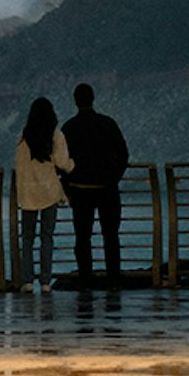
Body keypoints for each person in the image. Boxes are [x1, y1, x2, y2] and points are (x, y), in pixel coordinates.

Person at [61, 82, 129, 288]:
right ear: (93, 99)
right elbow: (123, 154)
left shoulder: (69, 127)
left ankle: (86, 279)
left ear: (75, 101)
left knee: (82, 238)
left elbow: (63, 164)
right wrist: (113, 178)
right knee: (111, 236)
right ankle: (113, 279)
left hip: (80, 190)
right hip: (107, 189)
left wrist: (68, 189)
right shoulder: (108, 123)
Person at [14, 96, 73, 292]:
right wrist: (74, 166)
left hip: (29, 193)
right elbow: (62, 162)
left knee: (28, 238)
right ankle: (46, 281)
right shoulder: (56, 135)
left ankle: (27, 280)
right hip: (49, 192)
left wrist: (20, 192)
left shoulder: (24, 136)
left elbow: (20, 166)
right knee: (47, 236)